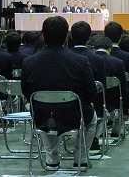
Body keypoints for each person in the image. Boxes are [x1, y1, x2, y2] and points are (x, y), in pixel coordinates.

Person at [21, 16, 97, 170]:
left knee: (45, 111)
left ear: (43, 34)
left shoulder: (29, 62)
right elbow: (91, 94)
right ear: (66, 35)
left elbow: (26, 92)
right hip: (75, 116)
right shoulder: (80, 61)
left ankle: (52, 159)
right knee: (92, 118)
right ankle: (80, 159)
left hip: (42, 116)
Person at [70, 21, 106, 154]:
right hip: (89, 105)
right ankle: (90, 144)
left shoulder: (67, 57)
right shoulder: (97, 59)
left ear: (72, 37)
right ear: (89, 37)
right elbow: (102, 88)